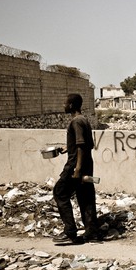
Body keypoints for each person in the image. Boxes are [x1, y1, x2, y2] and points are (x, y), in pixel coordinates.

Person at [52, 93, 100, 244]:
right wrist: (68, 148)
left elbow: (80, 145)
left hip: (75, 166)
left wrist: (77, 169)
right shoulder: (84, 120)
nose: (63, 106)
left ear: (71, 105)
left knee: (59, 192)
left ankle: (70, 232)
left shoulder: (76, 122)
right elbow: (88, 145)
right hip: (87, 164)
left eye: (65, 103)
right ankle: (92, 231)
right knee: (85, 197)